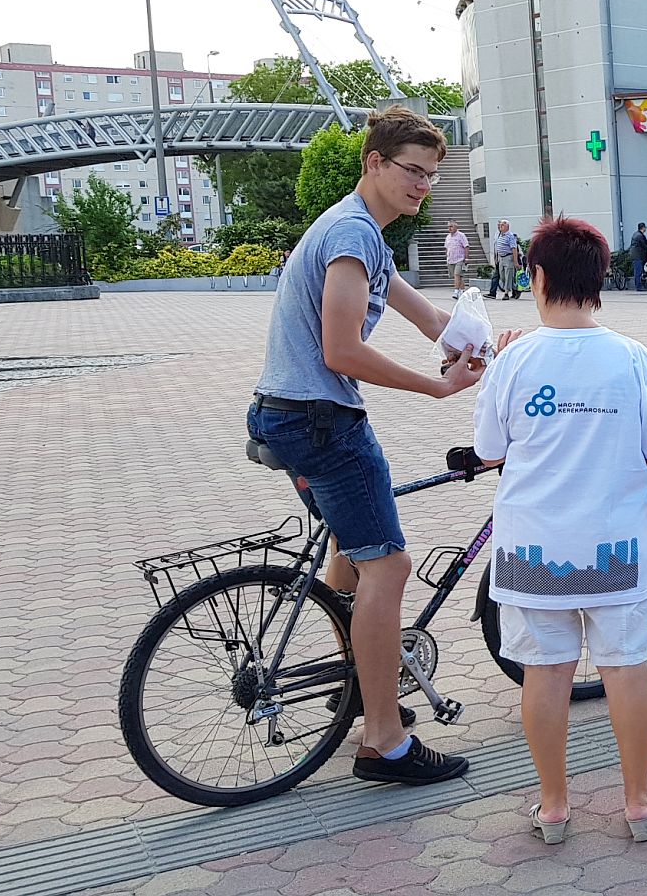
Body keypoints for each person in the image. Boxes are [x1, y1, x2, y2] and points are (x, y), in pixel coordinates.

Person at [247, 105, 476, 787]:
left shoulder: (364, 232)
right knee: (391, 568)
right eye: (412, 171)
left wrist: (495, 347)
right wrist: (437, 392)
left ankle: (356, 682)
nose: (422, 186)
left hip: (285, 416)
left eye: (432, 176)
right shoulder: (352, 233)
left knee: (353, 552)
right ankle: (385, 741)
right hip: (323, 422)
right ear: (373, 163)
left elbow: (433, 319)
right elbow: (341, 350)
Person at [473, 215, 647, 846]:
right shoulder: (632, 358)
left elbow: (489, 449)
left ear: (535, 276)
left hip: (530, 551)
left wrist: (502, 361)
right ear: (600, 279)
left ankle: (553, 807)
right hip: (616, 547)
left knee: (546, 675)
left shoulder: (514, 360)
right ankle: (637, 803)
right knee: (627, 668)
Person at [490, 219, 522, 300]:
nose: (500, 227)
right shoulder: (500, 235)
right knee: (503, 276)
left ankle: (506, 293)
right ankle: (515, 289)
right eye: (500, 225)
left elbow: (514, 249)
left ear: (507, 226)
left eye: (502, 225)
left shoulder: (510, 236)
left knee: (508, 275)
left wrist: (515, 261)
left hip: (508, 257)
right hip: (501, 258)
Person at [445, 221, 470, 298]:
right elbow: (446, 247)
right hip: (451, 259)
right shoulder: (448, 237)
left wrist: (466, 258)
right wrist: (447, 256)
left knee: (457, 274)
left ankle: (456, 291)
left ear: (456, 227)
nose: (450, 228)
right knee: (458, 276)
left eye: (451, 226)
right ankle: (462, 290)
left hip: (459, 259)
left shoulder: (461, 235)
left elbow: (466, 246)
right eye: (449, 227)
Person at [629, 223, 647, 291]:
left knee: (637, 271)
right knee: (638, 271)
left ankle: (639, 285)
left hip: (635, 254)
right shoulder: (640, 236)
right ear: (643, 228)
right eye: (645, 227)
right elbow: (644, 245)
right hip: (637, 255)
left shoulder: (636, 234)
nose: (646, 229)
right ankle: (639, 287)